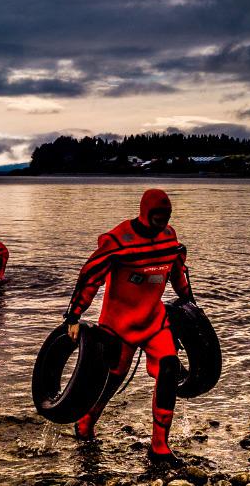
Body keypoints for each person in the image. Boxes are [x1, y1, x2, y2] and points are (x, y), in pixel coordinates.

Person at [62, 188, 194, 463]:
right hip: (118, 325)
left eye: (167, 216)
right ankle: (86, 421)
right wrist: (74, 316)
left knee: (169, 370)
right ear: (146, 213)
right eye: (158, 216)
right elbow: (90, 276)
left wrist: (188, 303)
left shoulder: (170, 237)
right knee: (111, 380)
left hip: (154, 321)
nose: (162, 221)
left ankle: (160, 445)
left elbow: (176, 270)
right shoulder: (118, 240)